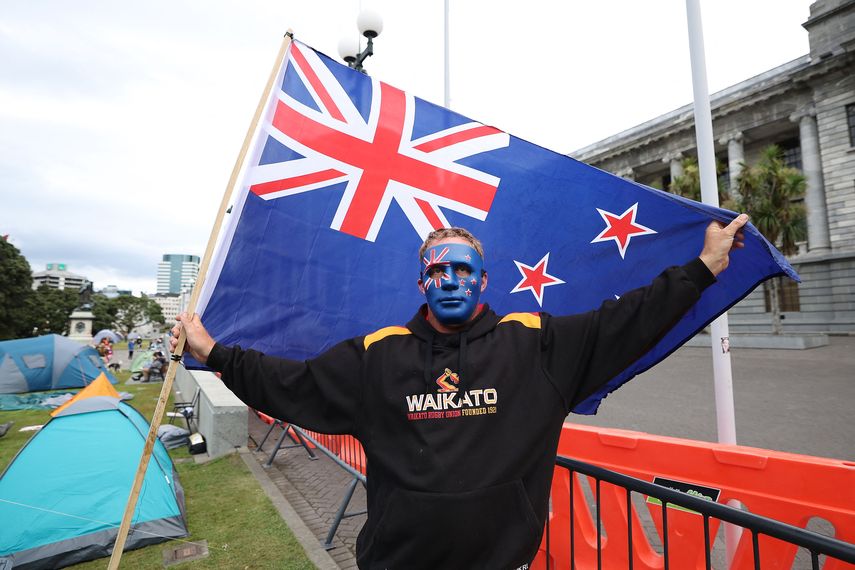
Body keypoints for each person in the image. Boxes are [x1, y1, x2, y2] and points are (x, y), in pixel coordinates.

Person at [172, 215, 749, 570]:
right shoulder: (377, 354)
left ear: (482, 280)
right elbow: (287, 383)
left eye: (464, 272)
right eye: (439, 273)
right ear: (423, 281)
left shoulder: (535, 344)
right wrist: (213, 351)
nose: (451, 282)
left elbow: (629, 321)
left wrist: (700, 268)